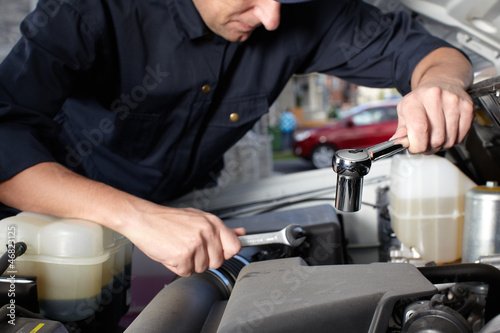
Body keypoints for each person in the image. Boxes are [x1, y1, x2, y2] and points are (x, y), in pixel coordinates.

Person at [0, 0, 474, 277]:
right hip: (37, 228)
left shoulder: (300, 12)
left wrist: (443, 85)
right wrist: (139, 218)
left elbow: (427, 52)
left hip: (166, 227)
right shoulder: (90, 10)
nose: (270, 18)